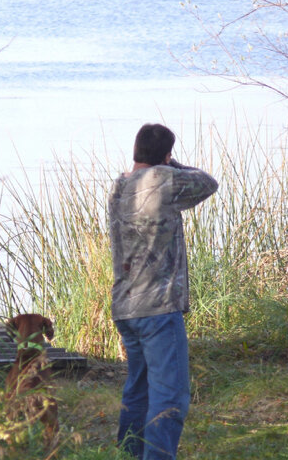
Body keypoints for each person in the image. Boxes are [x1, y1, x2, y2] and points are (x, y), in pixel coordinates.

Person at [108, 123, 218, 459]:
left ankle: (129, 454)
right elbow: (208, 183)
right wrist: (174, 164)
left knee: (139, 391)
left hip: (126, 306)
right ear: (166, 155)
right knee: (169, 397)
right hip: (158, 308)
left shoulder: (120, 186)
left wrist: (162, 162)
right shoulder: (165, 181)